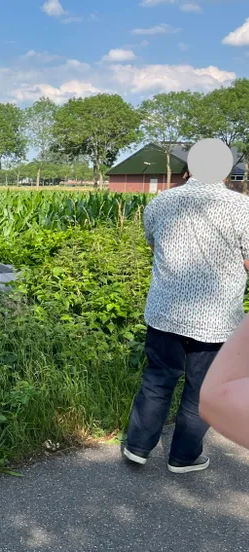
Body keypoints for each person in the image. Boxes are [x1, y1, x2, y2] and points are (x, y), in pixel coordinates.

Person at [123, 139, 249, 474]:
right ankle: (183, 457)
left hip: (165, 311)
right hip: (217, 319)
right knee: (201, 389)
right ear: (224, 170)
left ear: (190, 166)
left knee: (157, 378)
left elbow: (154, 246)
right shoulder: (242, 208)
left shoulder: (160, 203)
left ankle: (137, 446)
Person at [200, 319, 249, 449]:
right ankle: (183, 457)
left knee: (158, 380)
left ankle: (140, 447)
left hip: (163, 320)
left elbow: (216, 396)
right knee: (195, 388)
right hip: (214, 325)